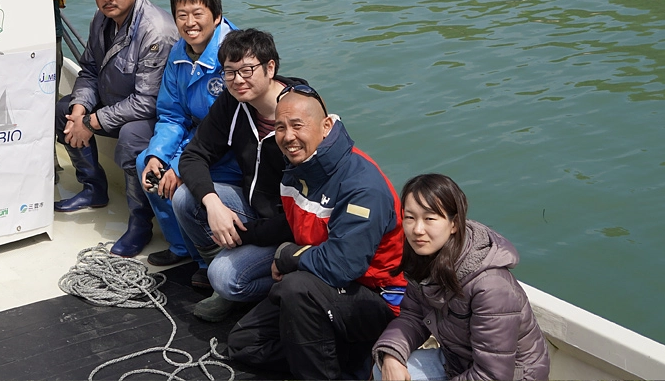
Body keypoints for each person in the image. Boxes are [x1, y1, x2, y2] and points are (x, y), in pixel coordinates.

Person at [226, 87, 407, 380]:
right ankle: (347, 357)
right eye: (280, 127)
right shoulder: (298, 167)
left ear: (326, 127)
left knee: (295, 288)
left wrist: (288, 255)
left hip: (374, 297)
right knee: (245, 344)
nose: (287, 137)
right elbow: (295, 222)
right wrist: (244, 232)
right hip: (320, 286)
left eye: (298, 125)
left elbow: (342, 266)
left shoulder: (362, 187)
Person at [55, 0, 177, 258]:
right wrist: (80, 110)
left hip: (150, 115)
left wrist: (91, 123)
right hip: (113, 104)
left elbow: (147, 101)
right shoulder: (102, 19)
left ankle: (140, 222)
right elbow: (90, 71)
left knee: (131, 140)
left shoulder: (156, 31)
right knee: (62, 111)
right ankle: (93, 187)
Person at [372, 174, 550, 381]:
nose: (417, 230)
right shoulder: (424, 258)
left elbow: (493, 375)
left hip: (513, 376)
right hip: (458, 361)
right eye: (410, 218)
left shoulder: (491, 286)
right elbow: (412, 316)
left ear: (454, 223)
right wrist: (392, 354)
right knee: (384, 368)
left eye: (429, 219)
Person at [170, 29, 296, 322]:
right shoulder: (234, 101)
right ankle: (222, 286)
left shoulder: (298, 114)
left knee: (226, 277)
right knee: (185, 198)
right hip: (255, 208)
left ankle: (283, 285)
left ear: (271, 68)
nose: (238, 80)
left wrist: (245, 234)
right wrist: (214, 205)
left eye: (247, 70)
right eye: (230, 72)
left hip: (294, 227)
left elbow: (307, 208)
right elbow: (193, 155)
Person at [136, 0, 241, 268]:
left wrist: (180, 163)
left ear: (216, 16)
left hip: (230, 148)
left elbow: (229, 127)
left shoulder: (234, 55)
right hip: (196, 138)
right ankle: (182, 248)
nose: (190, 23)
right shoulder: (178, 53)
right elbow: (171, 114)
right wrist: (160, 155)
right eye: (182, 15)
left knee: (183, 188)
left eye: (198, 14)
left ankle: (208, 264)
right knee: (146, 164)